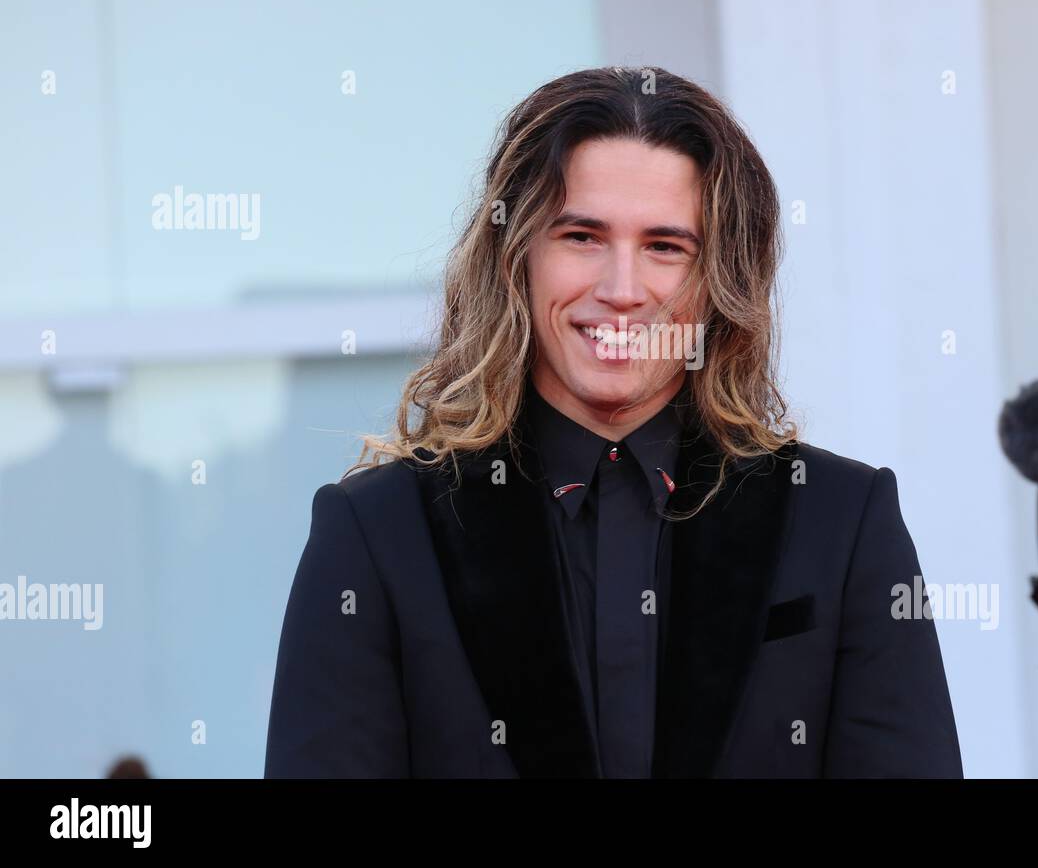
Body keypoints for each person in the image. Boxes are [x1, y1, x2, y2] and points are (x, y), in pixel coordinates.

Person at [264, 66, 963, 778]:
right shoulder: (376, 534)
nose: (621, 291)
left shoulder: (841, 522)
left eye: (665, 246)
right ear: (518, 258)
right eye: (582, 236)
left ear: (720, 278)